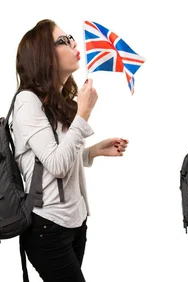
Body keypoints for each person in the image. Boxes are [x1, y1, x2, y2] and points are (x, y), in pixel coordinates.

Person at [12, 19, 129, 282]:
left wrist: (93, 152)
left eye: (71, 38)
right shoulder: (26, 102)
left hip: (75, 222)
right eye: (63, 41)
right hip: (48, 226)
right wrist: (84, 112)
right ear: (44, 55)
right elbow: (56, 164)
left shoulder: (60, 99)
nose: (74, 44)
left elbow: (58, 157)